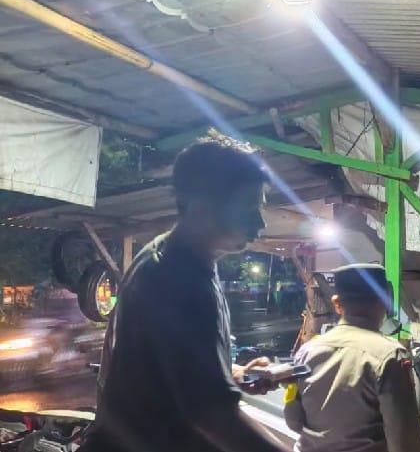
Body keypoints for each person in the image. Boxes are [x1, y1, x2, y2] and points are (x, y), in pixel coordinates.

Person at [83, 138, 287, 452]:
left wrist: (234, 373)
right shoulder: (178, 280)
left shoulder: (170, 257)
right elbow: (213, 415)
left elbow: (170, 367)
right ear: (201, 206)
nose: (259, 223)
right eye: (248, 208)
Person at [284, 263, 420, 452]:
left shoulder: (306, 351)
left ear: (336, 303)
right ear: (386, 300)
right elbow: (405, 439)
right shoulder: (390, 356)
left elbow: (293, 420)